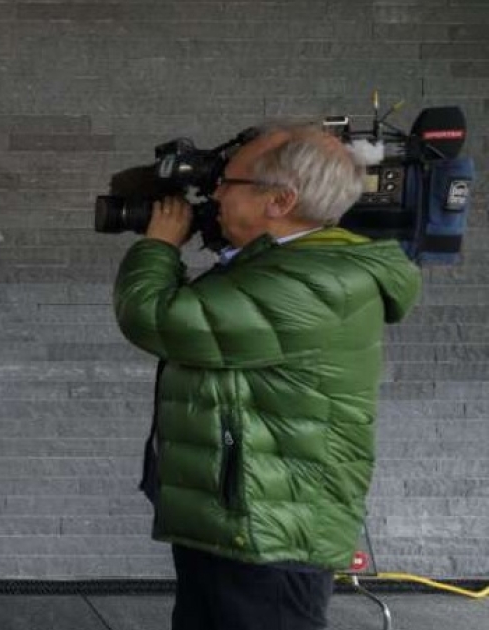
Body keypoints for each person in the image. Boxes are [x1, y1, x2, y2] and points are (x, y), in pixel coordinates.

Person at [112, 123, 421, 630]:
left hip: (269, 527)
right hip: (243, 511)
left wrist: (160, 246)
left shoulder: (313, 281)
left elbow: (156, 318)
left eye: (227, 183)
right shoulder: (278, 265)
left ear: (280, 200)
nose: (214, 194)